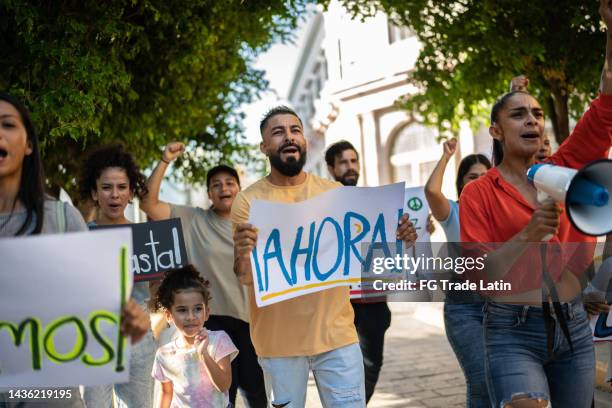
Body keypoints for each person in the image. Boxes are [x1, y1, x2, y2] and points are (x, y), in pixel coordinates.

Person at [460, 3, 612, 406]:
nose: (532, 120)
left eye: (537, 113)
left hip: (573, 324)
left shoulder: (563, 168)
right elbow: (480, 274)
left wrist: (611, 31)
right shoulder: (478, 193)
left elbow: (606, 104)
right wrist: (528, 234)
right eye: (518, 114)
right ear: (495, 129)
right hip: (511, 330)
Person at [232, 106, 418, 407]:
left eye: (295, 130)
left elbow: (366, 256)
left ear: (303, 140)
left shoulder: (334, 192)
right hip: (278, 344)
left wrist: (399, 239)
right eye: (278, 132)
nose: (289, 137)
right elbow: (246, 277)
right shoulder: (248, 202)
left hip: (337, 337)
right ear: (264, 147)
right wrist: (242, 253)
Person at [0, 93, 149, 407]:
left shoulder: (62, 219)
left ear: (28, 145)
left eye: (7, 124)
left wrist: (129, 320)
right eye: (106, 187)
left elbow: (98, 309)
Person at [140, 146, 267, 408]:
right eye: (216, 185)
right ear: (209, 193)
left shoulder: (254, 224)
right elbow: (148, 203)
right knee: (222, 396)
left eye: (230, 183)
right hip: (211, 321)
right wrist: (165, 159)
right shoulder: (193, 219)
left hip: (250, 321)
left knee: (257, 395)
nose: (224, 189)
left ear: (239, 189)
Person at [79, 144, 157, 408]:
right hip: (94, 340)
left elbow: (157, 289)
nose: (114, 195)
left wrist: (152, 325)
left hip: (139, 343)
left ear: (131, 192)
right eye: (106, 187)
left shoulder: (148, 239)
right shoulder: (80, 238)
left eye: (122, 187)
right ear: (94, 192)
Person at [423, 138, 491, 408]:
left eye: (485, 177)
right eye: (472, 177)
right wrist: (446, 157)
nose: (478, 181)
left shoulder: (502, 212)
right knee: (481, 381)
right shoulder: (453, 211)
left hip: (502, 306)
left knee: (504, 380)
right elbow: (431, 190)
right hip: (464, 309)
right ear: (461, 183)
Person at [324, 140, 389, 404]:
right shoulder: (320, 204)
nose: (350, 167)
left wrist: (415, 230)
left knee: (372, 365)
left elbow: (395, 241)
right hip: (338, 304)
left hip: (374, 301)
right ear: (331, 168)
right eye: (343, 162)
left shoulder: (377, 202)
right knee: (342, 368)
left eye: (354, 161)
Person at [152, 265, 238, 407]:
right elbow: (166, 393)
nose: (191, 317)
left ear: (207, 312)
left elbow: (224, 385)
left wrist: (204, 353)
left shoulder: (218, 341)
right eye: (182, 310)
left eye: (198, 309)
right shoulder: (164, 354)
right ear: (168, 315)